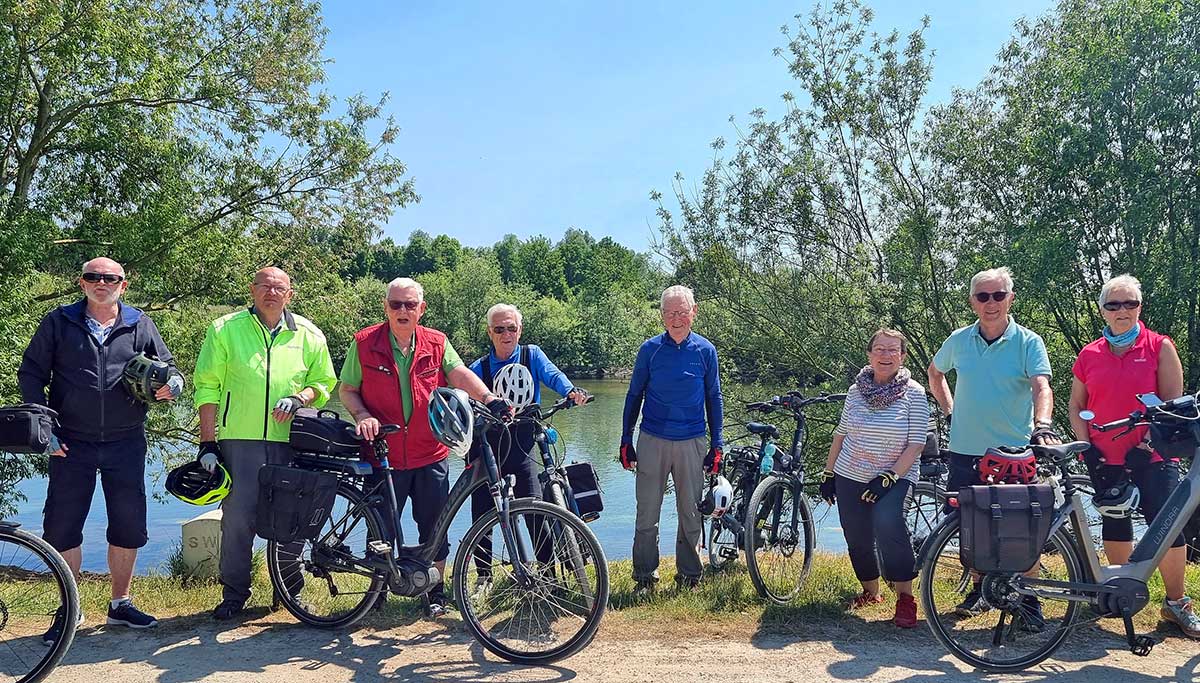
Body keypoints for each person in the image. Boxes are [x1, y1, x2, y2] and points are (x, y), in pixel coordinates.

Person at [19, 257, 183, 643]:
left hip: (126, 440)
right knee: (63, 524)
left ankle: (120, 604)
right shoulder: (59, 322)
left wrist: (171, 386)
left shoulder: (139, 323)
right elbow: (31, 373)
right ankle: (70, 608)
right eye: (93, 277)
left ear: (123, 285)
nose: (102, 283)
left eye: (110, 278)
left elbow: (170, 368)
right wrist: (43, 428)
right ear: (82, 284)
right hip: (70, 440)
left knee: (128, 523)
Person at [338, 278, 512, 617]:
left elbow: (459, 373)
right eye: (396, 304)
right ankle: (378, 595)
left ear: (422, 308)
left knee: (435, 525)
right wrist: (361, 415)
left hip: (429, 452)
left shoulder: (437, 342)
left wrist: (489, 397)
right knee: (383, 526)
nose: (403, 311)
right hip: (381, 452)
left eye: (410, 305)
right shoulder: (363, 343)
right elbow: (347, 389)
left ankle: (433, 592)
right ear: (385, 307)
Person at [193, 267, 338, 621]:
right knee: (238, 519)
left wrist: (301, 397)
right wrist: (207, 443)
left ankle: (290, 594)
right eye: (265, 286)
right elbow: (207, 387)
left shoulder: (309, 333)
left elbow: (324, 383)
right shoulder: (225, 329)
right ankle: (234, 595)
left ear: (290, 294)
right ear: (252, 290)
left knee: (291, 518)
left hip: (292, 441)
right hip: (239, 440)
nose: (271, 293)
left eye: (279, 288)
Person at [1067, 274, 1200, 638]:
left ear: (1140, 307)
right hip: (1104, 457)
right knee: (1115, 523)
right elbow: (1077, 406)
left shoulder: (1159, 346)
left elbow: (1173, 408)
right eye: (1113, 304)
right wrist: (1086, 447)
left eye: (1129, 304)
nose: (1122, 310)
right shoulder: (1089, 354)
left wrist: (1148, 448)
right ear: (1103, 311)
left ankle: (1176, 604)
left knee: (1167, 527)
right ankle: (1124, 594)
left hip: (1154, 457)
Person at [927, 266, 1060, 621]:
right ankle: (981, 591)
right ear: (972, 302)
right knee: (969, 527)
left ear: (1010, 299)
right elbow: (935, 372)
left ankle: (1029, 602)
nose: (991, 303)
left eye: (998, 295)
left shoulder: (1028, 341)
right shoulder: (958, 340)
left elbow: (1041, 386)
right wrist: (950, 410)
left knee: (1022, 528)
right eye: (983, 296)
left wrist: (1042, 423)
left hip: (1014, 451)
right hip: (965, 450)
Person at [465, 303, 589, 595]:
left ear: (520, 330)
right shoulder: (479, 368)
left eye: (511, 328)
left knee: (535, 507)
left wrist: (570, 391)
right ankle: (484, 576)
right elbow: (463, 390)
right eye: (499, 329)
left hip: (523, 440)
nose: (506, 334)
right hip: (489, 442)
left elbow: (553, 375)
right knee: (483, 510)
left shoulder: (532, 355)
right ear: (490, 333)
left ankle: (547, 575)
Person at [819, 329, 928, 628]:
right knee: (856, 534)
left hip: (896, 475)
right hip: (850, 472)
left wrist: (889, 477)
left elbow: (916, 443)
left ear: (902, 357)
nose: (885, 355)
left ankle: (905, 597)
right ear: (869, 354)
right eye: (879, 349)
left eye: (893, 350)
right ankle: (870, 592)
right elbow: (841, 434)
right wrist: (829, 473)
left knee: (888, 521)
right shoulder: (855, 391)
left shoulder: (915, 393)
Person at [621, 285, 724, 594]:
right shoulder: (649, 350)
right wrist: (626, 439)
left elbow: (714, 398)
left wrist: (717, 444)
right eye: (670, 313)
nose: (676, 319)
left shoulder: (705, 350)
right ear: (662, 315)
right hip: (652, 438)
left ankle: (690, 575)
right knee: (647, 512)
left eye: (682, 312)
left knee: (691, 512)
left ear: (693, 313)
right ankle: (645, 578)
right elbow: (634, 395)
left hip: (692, 440)